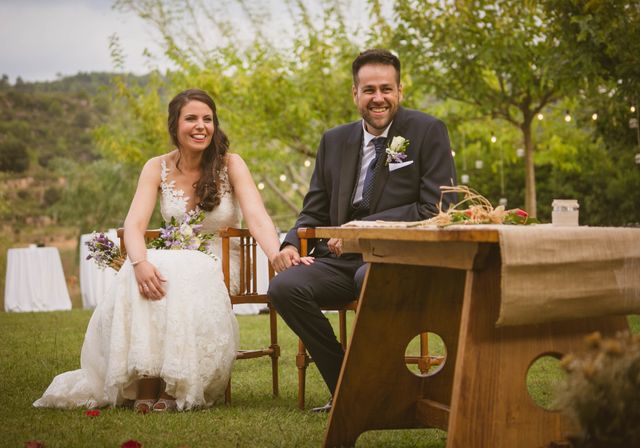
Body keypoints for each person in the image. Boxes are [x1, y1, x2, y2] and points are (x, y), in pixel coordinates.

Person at [34, 88, 293, 412]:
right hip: (174, 259)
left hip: (220, 262)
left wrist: (275, 252)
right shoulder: (156, 167)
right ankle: (146, 380)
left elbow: (257, 217)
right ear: (174, 126)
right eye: (191, 119)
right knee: (152, 269)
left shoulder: (231, 164)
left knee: (175, 271)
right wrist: (139, 262)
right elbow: (134, 225)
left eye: (207, 119)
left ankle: (173, 385)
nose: (201, 126)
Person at [268, 49, 457, 412]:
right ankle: (347, 387)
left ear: (400, 90)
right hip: (337, 260)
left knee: (370, 277)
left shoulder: (427, 131)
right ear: (355, 94)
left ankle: (371, 388)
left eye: (386, 88)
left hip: (394, 258)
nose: (378, 98)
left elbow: (438, 208)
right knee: (284, 288)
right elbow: (314, 208)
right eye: (368, 90)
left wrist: (360, 229)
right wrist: (292, 244)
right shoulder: (334, 141)